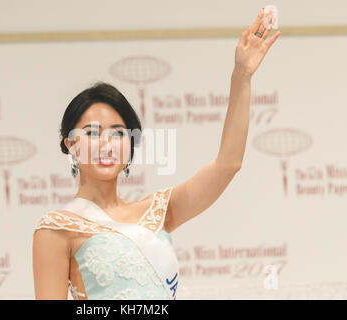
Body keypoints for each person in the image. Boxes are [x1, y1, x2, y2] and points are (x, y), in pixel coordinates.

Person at [32, 7, 280, 300]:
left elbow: (229, 164)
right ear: (71, 145)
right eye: (92, 133)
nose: (106, 144)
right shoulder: (56, 229)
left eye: (117, 133)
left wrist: (242, 76)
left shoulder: (159, 210)